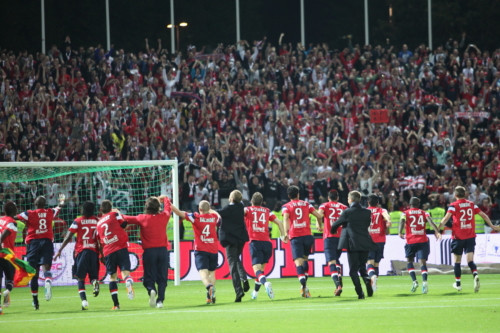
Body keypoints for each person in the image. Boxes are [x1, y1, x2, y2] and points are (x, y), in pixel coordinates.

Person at [438, 186, 499, 292]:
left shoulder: (453, 205)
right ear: (465, 194)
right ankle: (475, 274)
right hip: (470, 236)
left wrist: (437, 228)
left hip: (458, 236)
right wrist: (493, 226)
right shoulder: (472, 204)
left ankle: (458, 284)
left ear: (455, 195)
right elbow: (483, 215)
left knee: (457, 261)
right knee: (470, 260)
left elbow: (446, 218)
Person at [16, 194, 66, 310]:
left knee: (34, 273)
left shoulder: (29, 214)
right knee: (46, 268)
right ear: (45, 204)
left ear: (35, 203)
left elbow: (14, 217)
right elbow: (60, 206)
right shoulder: (50, 212)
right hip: (47, 242)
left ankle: (35, 301)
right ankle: (48, 279)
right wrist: (62, 199)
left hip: (33, 243)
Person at [121, 196, 171, 308]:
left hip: (149, 252)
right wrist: (165, 199)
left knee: (149, 277)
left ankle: (152, 290)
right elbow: (168, 208)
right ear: (158, 207)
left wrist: (116, 213)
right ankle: (160, 301)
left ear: (146, 207)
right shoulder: (164, 216)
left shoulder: (141, 218)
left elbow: (125, 218)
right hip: (163, 251)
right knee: (162, 277)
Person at [171, 200, 220, 305]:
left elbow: (179, 213)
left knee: (203, 272)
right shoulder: (214, 218)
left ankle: (209, 287)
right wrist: (211, 210)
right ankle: (210, 295)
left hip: (201, 250)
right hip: (214, 249)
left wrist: (168, 204)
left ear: (199, 209)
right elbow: (219, 216)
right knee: (212, 273)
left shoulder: (195, 217)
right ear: (209, 208)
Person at [331, 191, 377, 299]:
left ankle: (360, 292)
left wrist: (333, 231)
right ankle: (366, 279)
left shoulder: (347, 212)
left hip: (353, 244)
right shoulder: (367, 212)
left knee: (353, 270)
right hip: (365, 242)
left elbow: (336, 224)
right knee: (362, 267)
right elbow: (366, 224)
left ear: (350, 200)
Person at [54, 201, 100, 310]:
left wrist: (60, 250)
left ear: (83, 210)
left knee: (80, 278)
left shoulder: (77, 221)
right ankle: (95, 283)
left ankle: (84, 301)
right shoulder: (97, 221)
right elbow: (100, 239)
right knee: (93, 277)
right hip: (93, 252)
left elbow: (68, 236)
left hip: (81, 252)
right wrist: (102, 254)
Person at [244, 192, 288, 300]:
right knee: (261, 271)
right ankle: (255, 293)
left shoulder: (248, 210)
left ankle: (266, 284)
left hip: (255, 242)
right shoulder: (267, 211)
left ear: (251, 201)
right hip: (267, 243)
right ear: (262, 202)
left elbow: (239, 212)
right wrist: (283, 236)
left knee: (257, 270)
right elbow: (280, 223)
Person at [282, 185, 323, 298]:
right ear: (298, 194)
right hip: (308, 237)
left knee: (298, 263)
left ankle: (304, 287)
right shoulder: (307, 204)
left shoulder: (286, 206)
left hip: (296, 237)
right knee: (305, 260)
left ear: (289, 196)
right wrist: (319, 226)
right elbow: (319, 216)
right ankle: (304, 288)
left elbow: (285, 218)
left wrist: (285, 233)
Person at [95, 200, 135, 310]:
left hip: (108, 251)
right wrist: (119, 213)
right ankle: (127, 281)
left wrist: (102, 256)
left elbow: (99, 242)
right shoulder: (114, 214)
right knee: (125, 273)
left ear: (101, 210)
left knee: (112, 277)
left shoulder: (98, 224)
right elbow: (124, 225)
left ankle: (116, 305)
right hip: (121, 246)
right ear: (111, 208)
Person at [399, 197, 441, 294]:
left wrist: (399, 232)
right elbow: (430, 221)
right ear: (419, 205)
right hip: (423, 240)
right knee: (423, 263)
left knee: (409, 261)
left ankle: (414, 281)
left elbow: (402, 221)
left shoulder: (405, 213)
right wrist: (437, 231)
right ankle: (425, 283)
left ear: (409, 204)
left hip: (411, 241)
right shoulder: (424, 212)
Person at [217, 190, 249, 302]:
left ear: (231, 199)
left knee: (232, 265)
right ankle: (244, 279)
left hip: (230, 240)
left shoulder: (227, 210)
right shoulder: (241, 206)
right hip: (241, 239)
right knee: (236, 259)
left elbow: (218, 213)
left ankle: (238, 290)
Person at [317, 189, 347, 296]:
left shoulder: (324, 205)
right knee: (337, 259)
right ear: (338, 198)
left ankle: (337, 285)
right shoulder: (344, 207)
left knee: (331, 262)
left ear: (328, 197)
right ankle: (339, 275)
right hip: (341, 237)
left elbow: (319, 215)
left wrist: (319, 225)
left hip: (329, 237)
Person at [366, 194, 391, 292]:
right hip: (380, 240)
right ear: (378, 203)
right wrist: (388, 221)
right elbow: (386, 216)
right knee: (376, 264)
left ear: (368, 202)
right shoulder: (382, 210)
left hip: (369, 239)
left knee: (369, 262)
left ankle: (372, 277)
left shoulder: (365, 211)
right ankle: (374, 284)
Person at [0, 201, 19, 314]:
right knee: (10, 278)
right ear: (14, 211)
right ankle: (7, 291)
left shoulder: (0, 219)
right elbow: (6, 232)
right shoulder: (12, 222)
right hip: (7, 254)